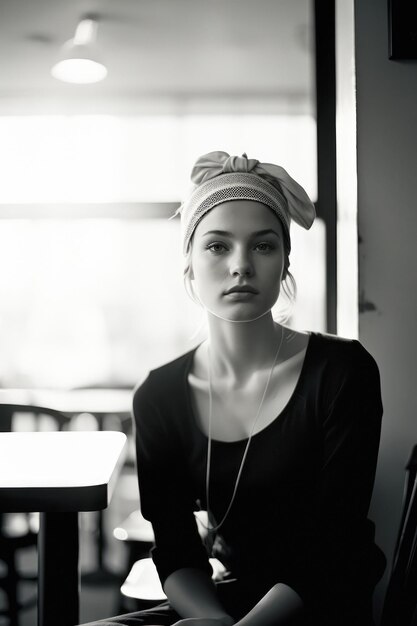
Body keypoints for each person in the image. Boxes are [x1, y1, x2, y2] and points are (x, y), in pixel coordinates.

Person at [82, 151, 386, 626]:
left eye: (263, 246)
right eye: (218, 246)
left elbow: (336, 539)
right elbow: (176, 548)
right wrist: (212, 620)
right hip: (226, 600)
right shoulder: (159, 396)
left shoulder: (343, 372)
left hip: (322, 602)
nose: (241, 265)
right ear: (189, 264)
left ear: (286, 261)